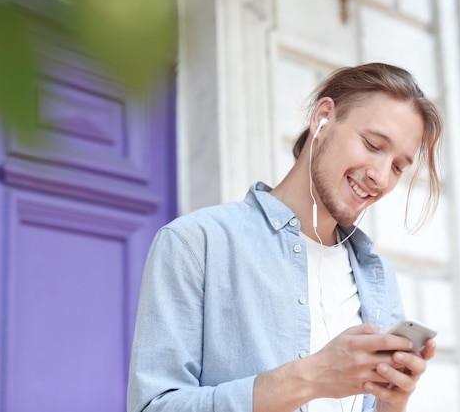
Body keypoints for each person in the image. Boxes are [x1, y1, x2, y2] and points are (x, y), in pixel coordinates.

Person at [127, 62, 443, 412]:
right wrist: (310, 377)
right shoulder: (195, 243)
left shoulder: (379, 276)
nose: (381, 178)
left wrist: (391, 402)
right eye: (372, 144)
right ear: (323, 118)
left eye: (399, 166)